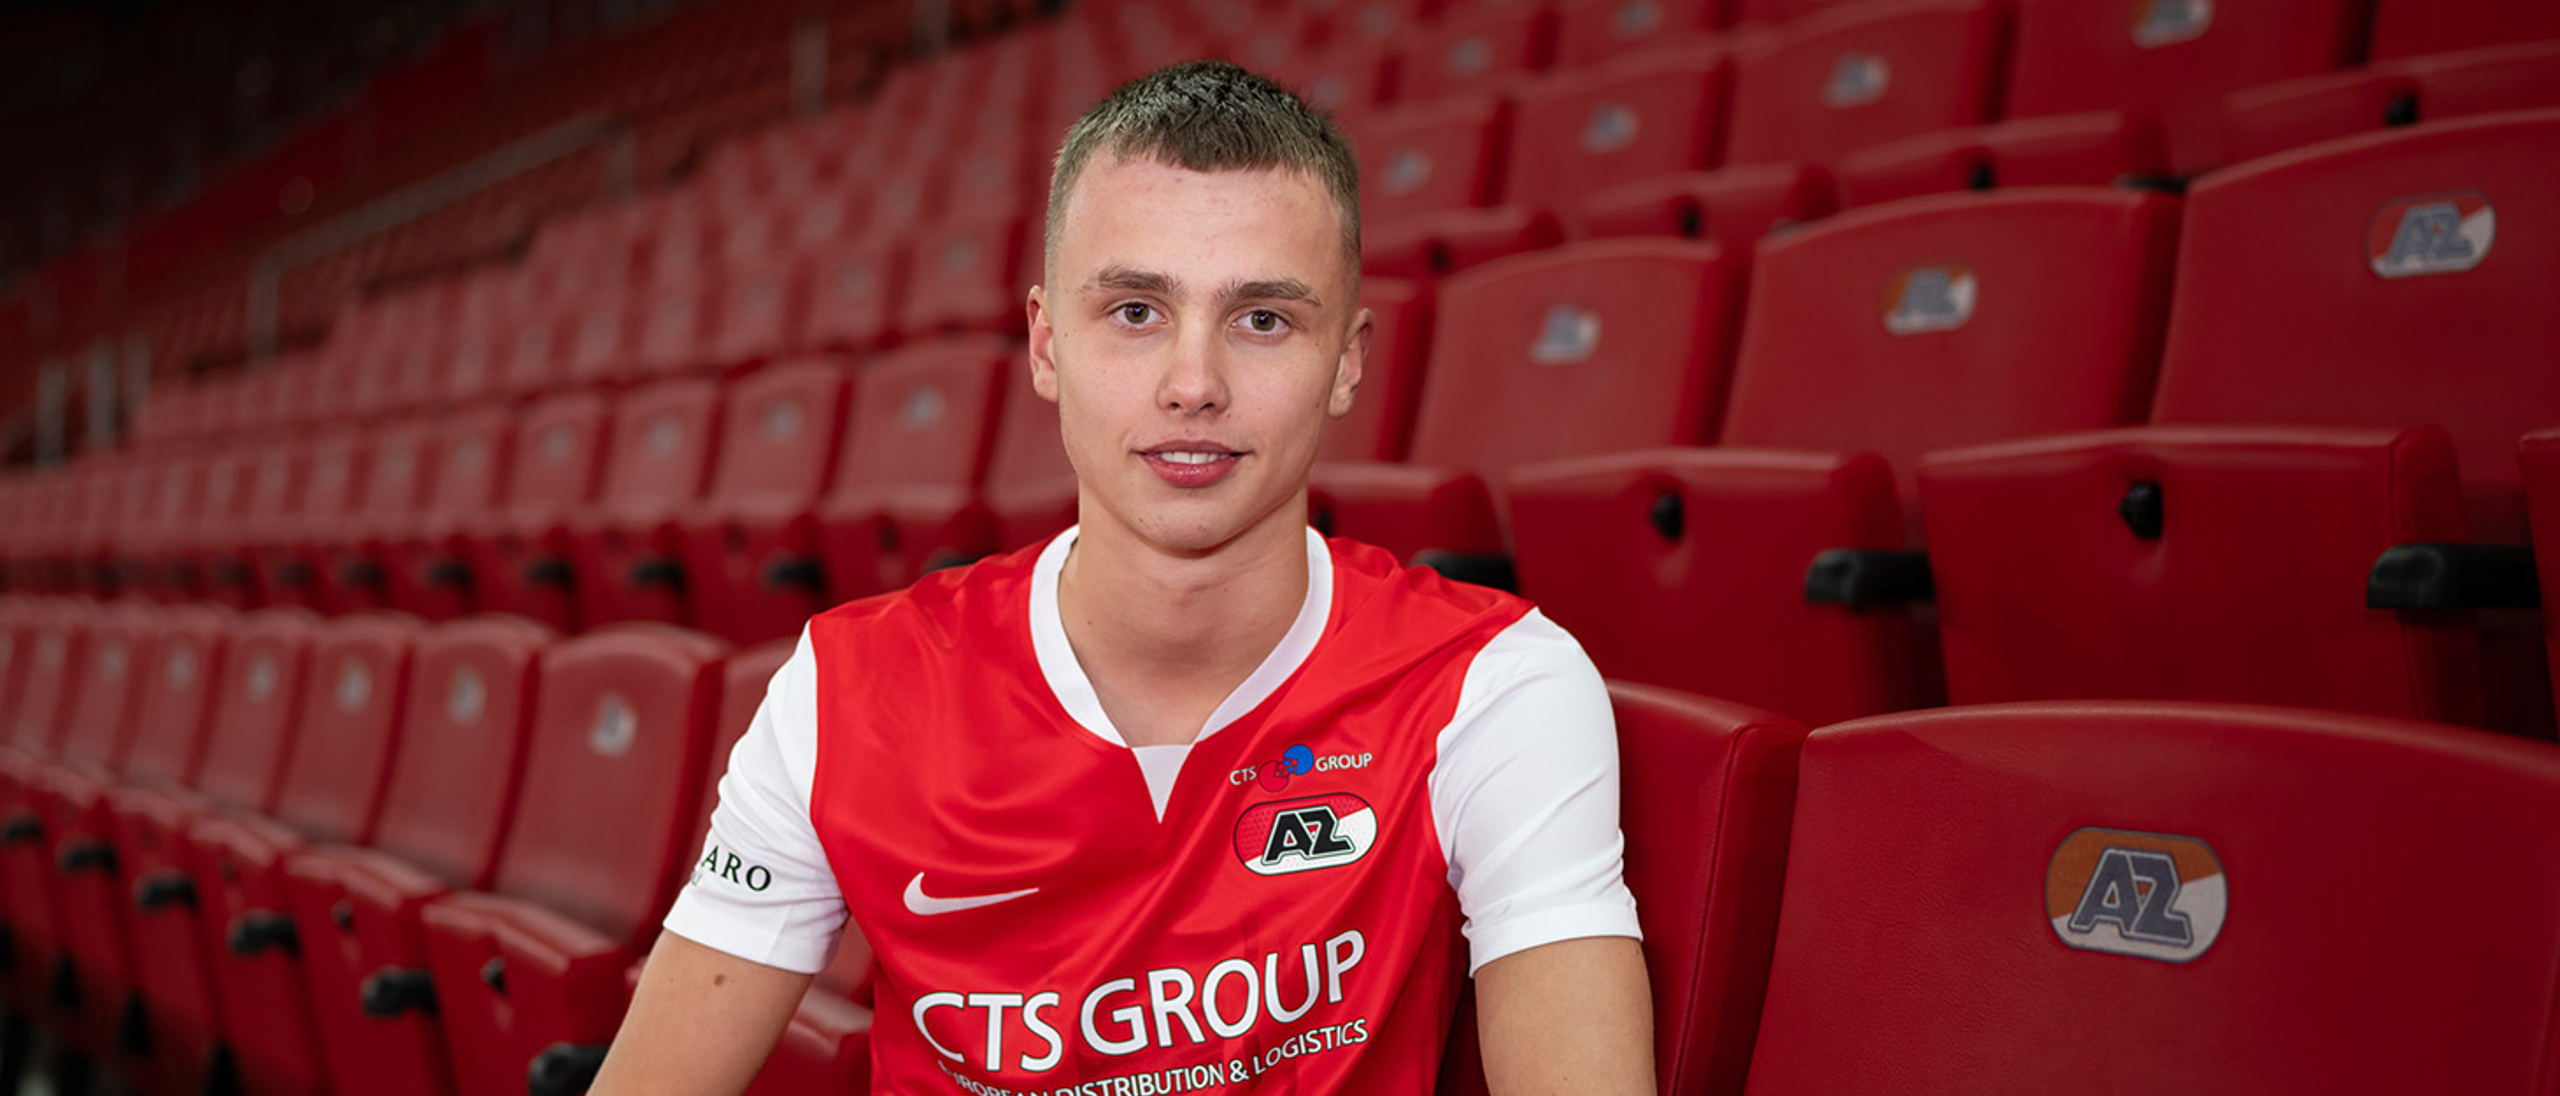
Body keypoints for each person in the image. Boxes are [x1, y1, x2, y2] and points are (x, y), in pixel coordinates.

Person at [592, 60, 1654, 1096]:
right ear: (1046, 344)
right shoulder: (845, 691)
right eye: (1136, 311)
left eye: (1264, 319)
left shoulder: (1490, 684)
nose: (1194, 384)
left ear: (1346, 360)